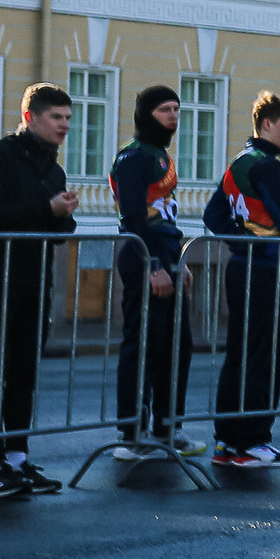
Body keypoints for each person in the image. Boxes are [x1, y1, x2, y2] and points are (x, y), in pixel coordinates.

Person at [0, 84, 80, 499]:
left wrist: (64, 216)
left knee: (23, 372)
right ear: (30, 117)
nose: (65, 126)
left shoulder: (53, 169)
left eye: (68, 118)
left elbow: (54, 234)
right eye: (57, 117)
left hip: (35, 280)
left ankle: (18, 458)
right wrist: (47, 210)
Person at [202, 92, 280, 470]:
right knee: (264, 355)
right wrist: (265, 241)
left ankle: (228, 442)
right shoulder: (267, 165)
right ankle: (254, 441)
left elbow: (213, 214)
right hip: (265, 269)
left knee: (239, 353)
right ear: (266, 125)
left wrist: (240, 241)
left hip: (240, 266)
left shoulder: (238, 163)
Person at [110, 85, 196, 463]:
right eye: (164, 110)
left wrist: (179, 260)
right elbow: (132, 218)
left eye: (176, 109)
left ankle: (167, 427)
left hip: (167, 254)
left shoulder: (162, 154)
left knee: (177, 345)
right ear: (147, 114)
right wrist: (154, 266)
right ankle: (132, 434)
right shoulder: (132, 157)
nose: (173, 116)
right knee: (143, 344)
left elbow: (167, 217)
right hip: (142, 256)